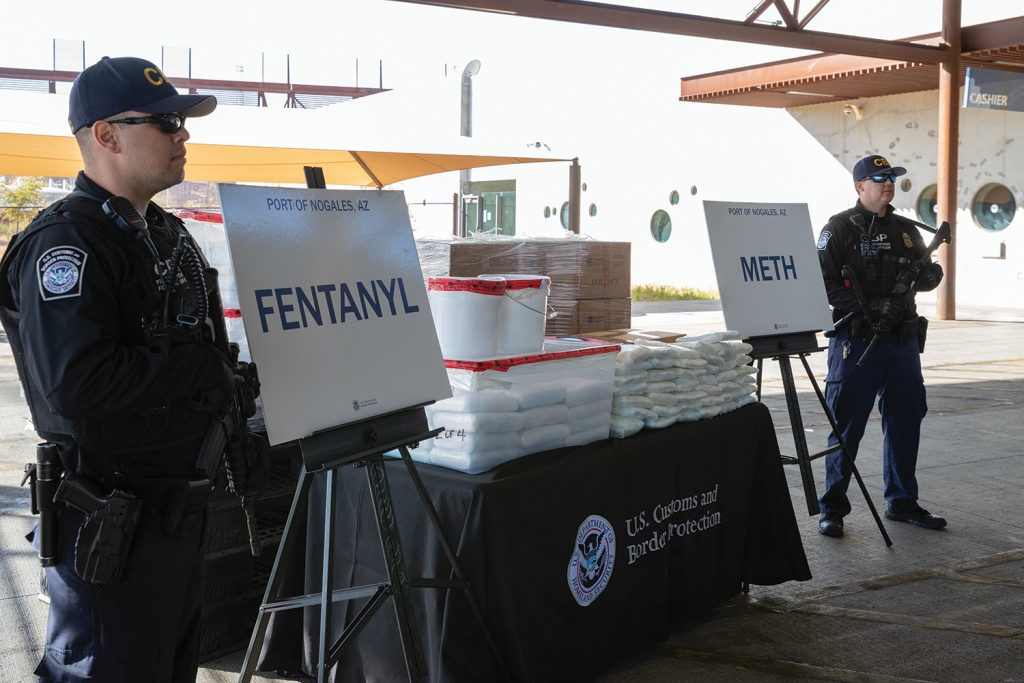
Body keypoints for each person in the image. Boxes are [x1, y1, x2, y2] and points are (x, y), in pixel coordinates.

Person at [0, 56, 266, 682]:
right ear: (107, 135)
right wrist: (199, 368)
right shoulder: (67, 244)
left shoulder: (163, 232)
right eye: (166, 121)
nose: (183, 133)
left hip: (176, 514)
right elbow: (77, 384)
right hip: (112, 526)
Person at [815, 154, 946, 538]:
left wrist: (930, 275)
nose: (888, 182)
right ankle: (832, 508)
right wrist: (870, 306)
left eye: (891, 177)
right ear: (859, 186)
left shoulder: (907, 229)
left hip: (902, 342)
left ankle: (902, 502)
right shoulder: (839, 228)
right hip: (858, 341)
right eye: (879, 178)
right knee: (846, 426)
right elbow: (821, 283)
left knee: (905, 422)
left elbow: (925, 277)